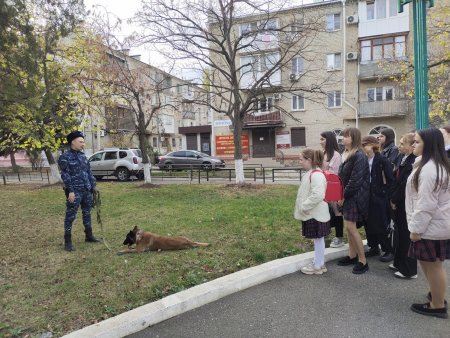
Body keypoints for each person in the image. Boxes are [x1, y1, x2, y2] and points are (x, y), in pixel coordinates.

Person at [406, 127, 450, 319]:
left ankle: (438, 305)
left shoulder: (430, 169)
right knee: (432, 265)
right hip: (434, 224)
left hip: (430, 226)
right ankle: (437, 296)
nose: (413, 144)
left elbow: (426, 204)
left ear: (428, 144)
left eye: (417, 142)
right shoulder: (432, 165)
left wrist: (416, 229)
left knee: (433, 266)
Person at [58, 131, 100, 251]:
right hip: (74, 192)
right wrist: (70, 191)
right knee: (70, 216)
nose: (83, 144)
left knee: (87, 213)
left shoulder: (83, 157)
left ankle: (89, 235)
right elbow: (65, 175)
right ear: (73, 142)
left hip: (86, 190)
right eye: (81, 141)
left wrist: (93, 186)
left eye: (83, 141)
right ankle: (68, 241)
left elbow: (88, 172)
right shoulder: (64, 157)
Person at [337, 128, 370, 274]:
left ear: (354, 138)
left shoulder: (359, 155)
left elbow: (355, 181)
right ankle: (352, 255)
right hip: (348, 195)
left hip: (355, 196)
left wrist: (343, 196)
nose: (343, 139)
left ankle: (363, 261)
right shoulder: (346, 153)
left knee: (351, 228)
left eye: (346, 136)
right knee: (348, 228)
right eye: (342, 136)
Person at [294, 148, 331, 275]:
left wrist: (304, 206)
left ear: (309, 160)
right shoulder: (313, 173)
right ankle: (319, 263)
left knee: (319, 238)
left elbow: (318, 195)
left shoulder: (316, 175)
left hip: (315, 213)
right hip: (314, 213)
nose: (300, 162)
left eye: (301, 159)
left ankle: (317, 265)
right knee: (318, 239)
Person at [361, 136, 395, 262]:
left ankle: (388, 250)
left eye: (366, 144)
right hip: (367, 196)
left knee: (380, 223)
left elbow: (390, 179)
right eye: (363, 145)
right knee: (368, 223)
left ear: (373, 145)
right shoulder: (364, 159)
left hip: (379, 197)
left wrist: (386, 194)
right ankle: (373, 247)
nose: (364, 147)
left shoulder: (382, 160)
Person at [390, 133, 417, 279]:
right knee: (399, 233)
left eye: (402, 143)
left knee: (406, 236)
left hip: (404, 202)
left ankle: (409, 270)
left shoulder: (413, 161)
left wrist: (394, 199)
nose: (399, 146)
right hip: (400, 202)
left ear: (411, 146)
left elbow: (404, 184)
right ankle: (399, 262)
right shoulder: (403, 158)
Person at [319, 131, 344, 248]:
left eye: (322, 139)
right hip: (323, 185)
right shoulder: (323, 153)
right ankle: (325, 233)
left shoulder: (336, 155)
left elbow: (335, 173)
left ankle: (339, 237)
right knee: (324, 210)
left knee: (336, 211)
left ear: (329, 140)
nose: (320, 142)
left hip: (333, 186)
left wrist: (324, 169)